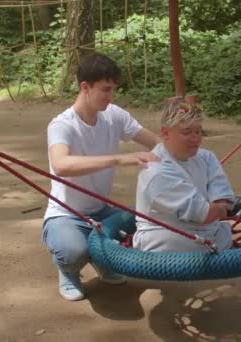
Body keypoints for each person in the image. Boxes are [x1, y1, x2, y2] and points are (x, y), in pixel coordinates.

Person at [42, 53, 161, 301]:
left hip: (102, 210)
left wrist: (190, 158)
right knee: (73, 250)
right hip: (66, 214)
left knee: (147, 227)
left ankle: (101, 258)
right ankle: (68, 269)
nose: (111, 97)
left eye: (113, 90)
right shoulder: (62, 125)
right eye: (105, 90)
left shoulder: (114, 115)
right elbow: (61, 165)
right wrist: (119, 159)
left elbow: (155, 144)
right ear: (85, 87)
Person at [133, 98, 236, 253]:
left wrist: (219, 208)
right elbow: (206, 214)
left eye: (198, 131)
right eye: (186, 132)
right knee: (174, 241)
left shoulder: (207, 157)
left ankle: (215, 244)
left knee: (218, 234)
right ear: (165, 133)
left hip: (209, 231)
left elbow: (223, 198)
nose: (195, 138)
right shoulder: (156, 170)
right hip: (166, 236)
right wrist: (220, 209)